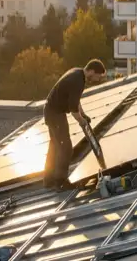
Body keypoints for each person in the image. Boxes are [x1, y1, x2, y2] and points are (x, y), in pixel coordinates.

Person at [43, 59, 107, 190]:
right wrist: (81, 121)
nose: (97, 80)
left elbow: (75, 100)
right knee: (65, 147)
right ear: (92, 71)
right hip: (55, 114)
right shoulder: (77, 81)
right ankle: (60, 181)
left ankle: (48, 180)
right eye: (97, 77)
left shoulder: (78, 74)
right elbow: (73, 109)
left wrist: (83, 115)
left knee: (55, 146)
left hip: (52, 111)